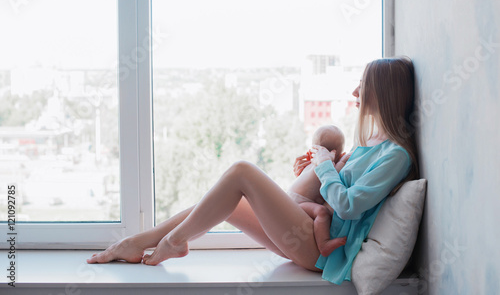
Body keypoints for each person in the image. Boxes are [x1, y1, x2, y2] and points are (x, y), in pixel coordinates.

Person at [87, 56, 419, 285]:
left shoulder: (396, 155)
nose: (355, 93)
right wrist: (317, 171)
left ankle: (174, 241)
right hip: (309, 234)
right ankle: (136, 243)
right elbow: (337, 189)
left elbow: (348, 205)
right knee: (223, 201)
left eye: (363, 85)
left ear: (385, 93)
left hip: (322, 248)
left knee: (241, 171)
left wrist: (326, 168)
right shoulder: (373, 142)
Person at [287, 124, 349, 257]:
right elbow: (334, 175)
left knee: (320, 210)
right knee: (322, 212)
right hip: (297, 204)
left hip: (289, 201)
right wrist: (344, 159)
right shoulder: (326, 163)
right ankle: (324, 244)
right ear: (339, 154)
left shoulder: (309, 164)